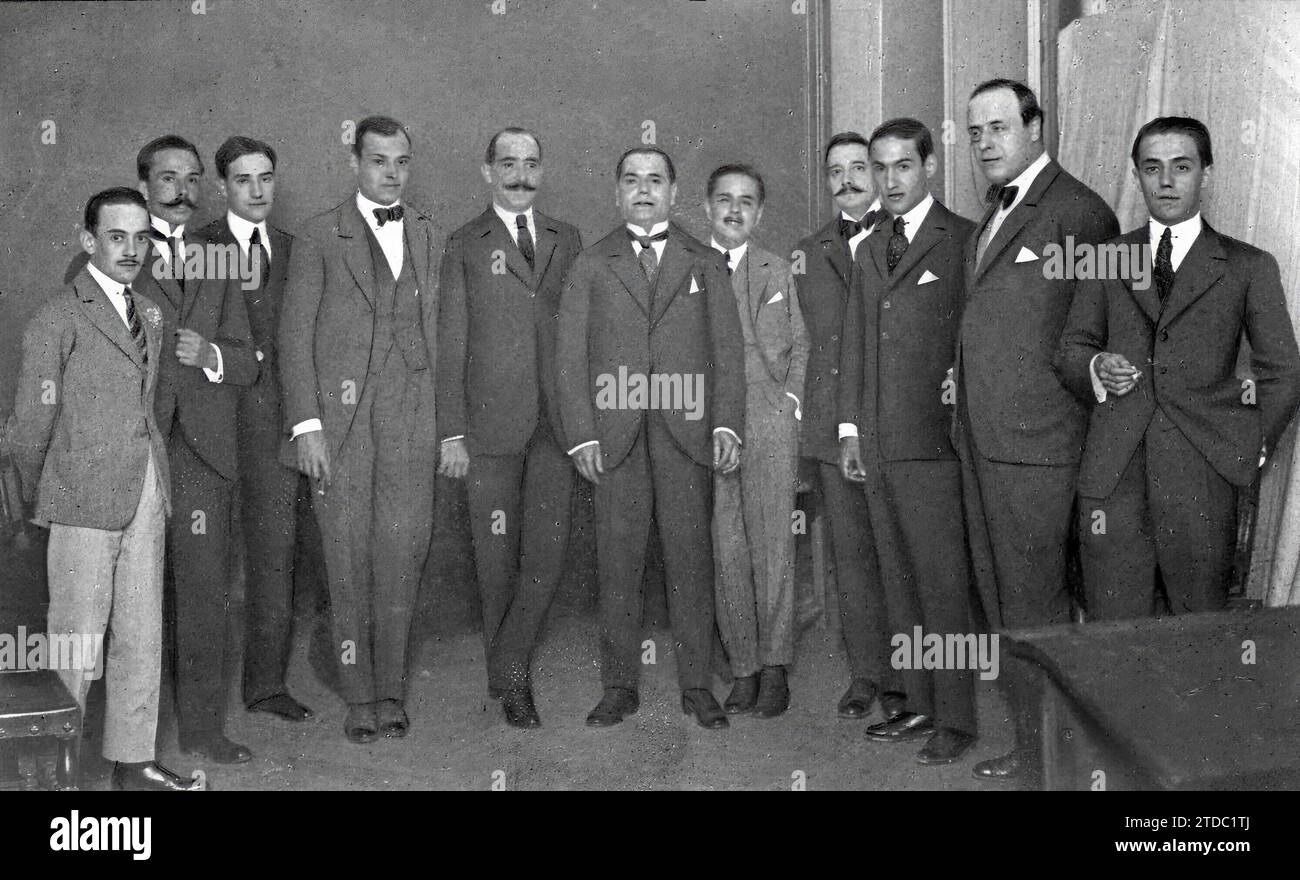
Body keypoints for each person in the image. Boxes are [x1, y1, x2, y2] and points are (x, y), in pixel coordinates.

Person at [1056, 116, 1300, 619]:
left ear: (1205, 174)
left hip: (1202, 475)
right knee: (1114, 630)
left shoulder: (1248, 266)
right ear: (1137, 175)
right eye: (1152, 168)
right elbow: (1071, 349)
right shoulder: (1107, 258)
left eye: (1181, 167)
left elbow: (1283, 369)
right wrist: (1097, 366)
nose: (1166, 181)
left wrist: (1251, 447)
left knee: (1197, 628)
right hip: (1114, 475)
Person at [5, 188, 199, 790]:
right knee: (75, 645)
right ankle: (54, 771)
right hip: (80, 500)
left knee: (141, 635)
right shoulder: (57, 317)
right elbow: (31, 429)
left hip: (145, 491)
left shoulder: (153, 313)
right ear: (89, 240)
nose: (132, 250)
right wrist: (44, 506)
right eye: (118, 237)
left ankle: (133, 762)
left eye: (143, 238)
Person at [955, 79, 1119, 781]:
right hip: (984, 442)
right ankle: (1033, 747)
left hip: (1040, 450)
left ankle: (1055, 760)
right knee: (1004, 604)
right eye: (976, 133)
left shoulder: (1079, 211)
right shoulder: (995, 212)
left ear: (1035, 127)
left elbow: (1096, 331)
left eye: (998, 127)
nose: (986, 143)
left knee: (1037, 608)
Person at [556, 147, 744, 729]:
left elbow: (727, 353)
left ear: (673, 191)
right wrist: (582, 436)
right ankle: (619, 686)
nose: (643, 191)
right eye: (632, 181)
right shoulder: (591, 263)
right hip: (615, 437)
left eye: (655, 181)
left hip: (685, 434)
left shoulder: (703, 260)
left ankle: (697, 685)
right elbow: (569, 359)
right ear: (616, 192)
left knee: (691, 561)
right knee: (618, 563)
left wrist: (724, 422)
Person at [278, 115, 441, 743]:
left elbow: (443, 333)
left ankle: (392, 690)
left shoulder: (430, 233)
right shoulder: (321, 235)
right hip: (339, 426)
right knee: (346, 561)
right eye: (379, 161)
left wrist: (445, 428)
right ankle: (357, 696)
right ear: (355, 163)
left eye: (401, 161)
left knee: (402, 554)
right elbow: (295, 339)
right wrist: (307, 427)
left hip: (411, 416)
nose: (391, 173)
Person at [838, 118, 978, 764]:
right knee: (899, 584)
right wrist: (851, 432)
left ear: (929, 167)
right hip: (879, 446)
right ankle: (919, 701)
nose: (889, 181)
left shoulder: (964, 243)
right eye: (879, 167)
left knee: (943, 587)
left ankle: (958, 716)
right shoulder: (869, 249)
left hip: (935, 449)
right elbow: (856, 350)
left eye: (902, 166)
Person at [435, 127, 582, 728]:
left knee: (545, 555)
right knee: (495, 561)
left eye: (530, 164)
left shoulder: (567, 239)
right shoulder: (463, 243)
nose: (520, 175)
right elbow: (450, 345)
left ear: (542, 171)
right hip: (488, 431)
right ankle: (513, 682)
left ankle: (509, 661)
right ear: (487, 171)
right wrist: (451, 434)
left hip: (559, 428)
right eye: (508, 164)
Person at [138, 135, 260, 764]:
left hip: (203, 454)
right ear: (144, 188)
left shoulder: (219, 256)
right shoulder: (117, 248)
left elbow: (247, 361)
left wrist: (209, 354)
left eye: (191, 179)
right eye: (167, 179)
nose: (182, 189)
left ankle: (204, 731)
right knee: (130, 598)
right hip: (136, 450)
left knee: (204, 592)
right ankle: (123, 740)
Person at [197, 135, 315, 723]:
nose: (257, 190)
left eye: (266, 177)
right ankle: (193, 695)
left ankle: (265, 687)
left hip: (277, 431)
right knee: (204, 562)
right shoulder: (198, 248)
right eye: (244, 181)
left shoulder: (297, 249)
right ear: (223, 188)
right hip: (213, 429)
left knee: (275, 554)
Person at [794, 131, 903, 722]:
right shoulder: (806, 251)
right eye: (835, 171)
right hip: (834, 430)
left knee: (900, 554)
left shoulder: (904, 238)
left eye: (858, 167)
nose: (848, 180)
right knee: (851, 556)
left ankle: (905, 680)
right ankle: (865, 674)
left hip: (894, 427)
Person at [705, 163, 809, 717]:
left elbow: (800, 343)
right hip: (710, 426)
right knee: (727, 549)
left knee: (774, 548)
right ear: (706, 208)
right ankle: (742, 668)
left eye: (747, 201)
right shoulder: (689, 267)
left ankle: (775, 668)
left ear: (760, 212)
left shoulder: (777, 268)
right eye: (725, 200)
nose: (735, 210)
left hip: (770, 422)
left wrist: (790, 404)